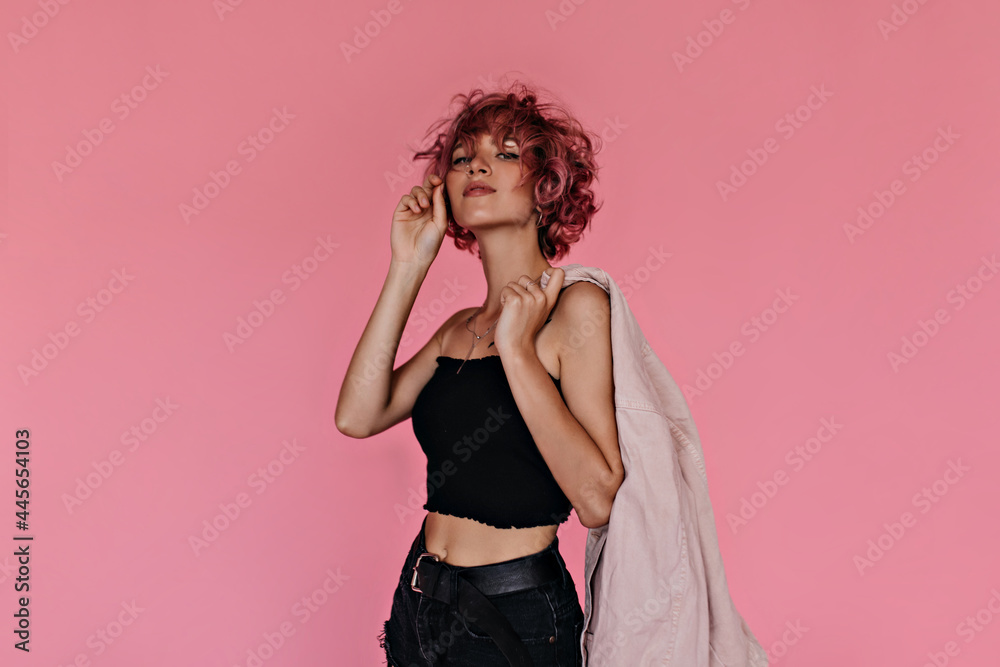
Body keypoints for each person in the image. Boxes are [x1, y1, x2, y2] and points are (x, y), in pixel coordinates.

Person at [335, 79, 623, 666]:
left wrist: (518, 352)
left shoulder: (577, 309)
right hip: (421, 602)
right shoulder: (460, 327)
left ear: (547, 187)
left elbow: (598, 500)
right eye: (463, 158)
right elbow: (357, 416)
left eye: (505, 153)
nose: (476, 166)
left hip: (510, 613)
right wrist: (408, 265)